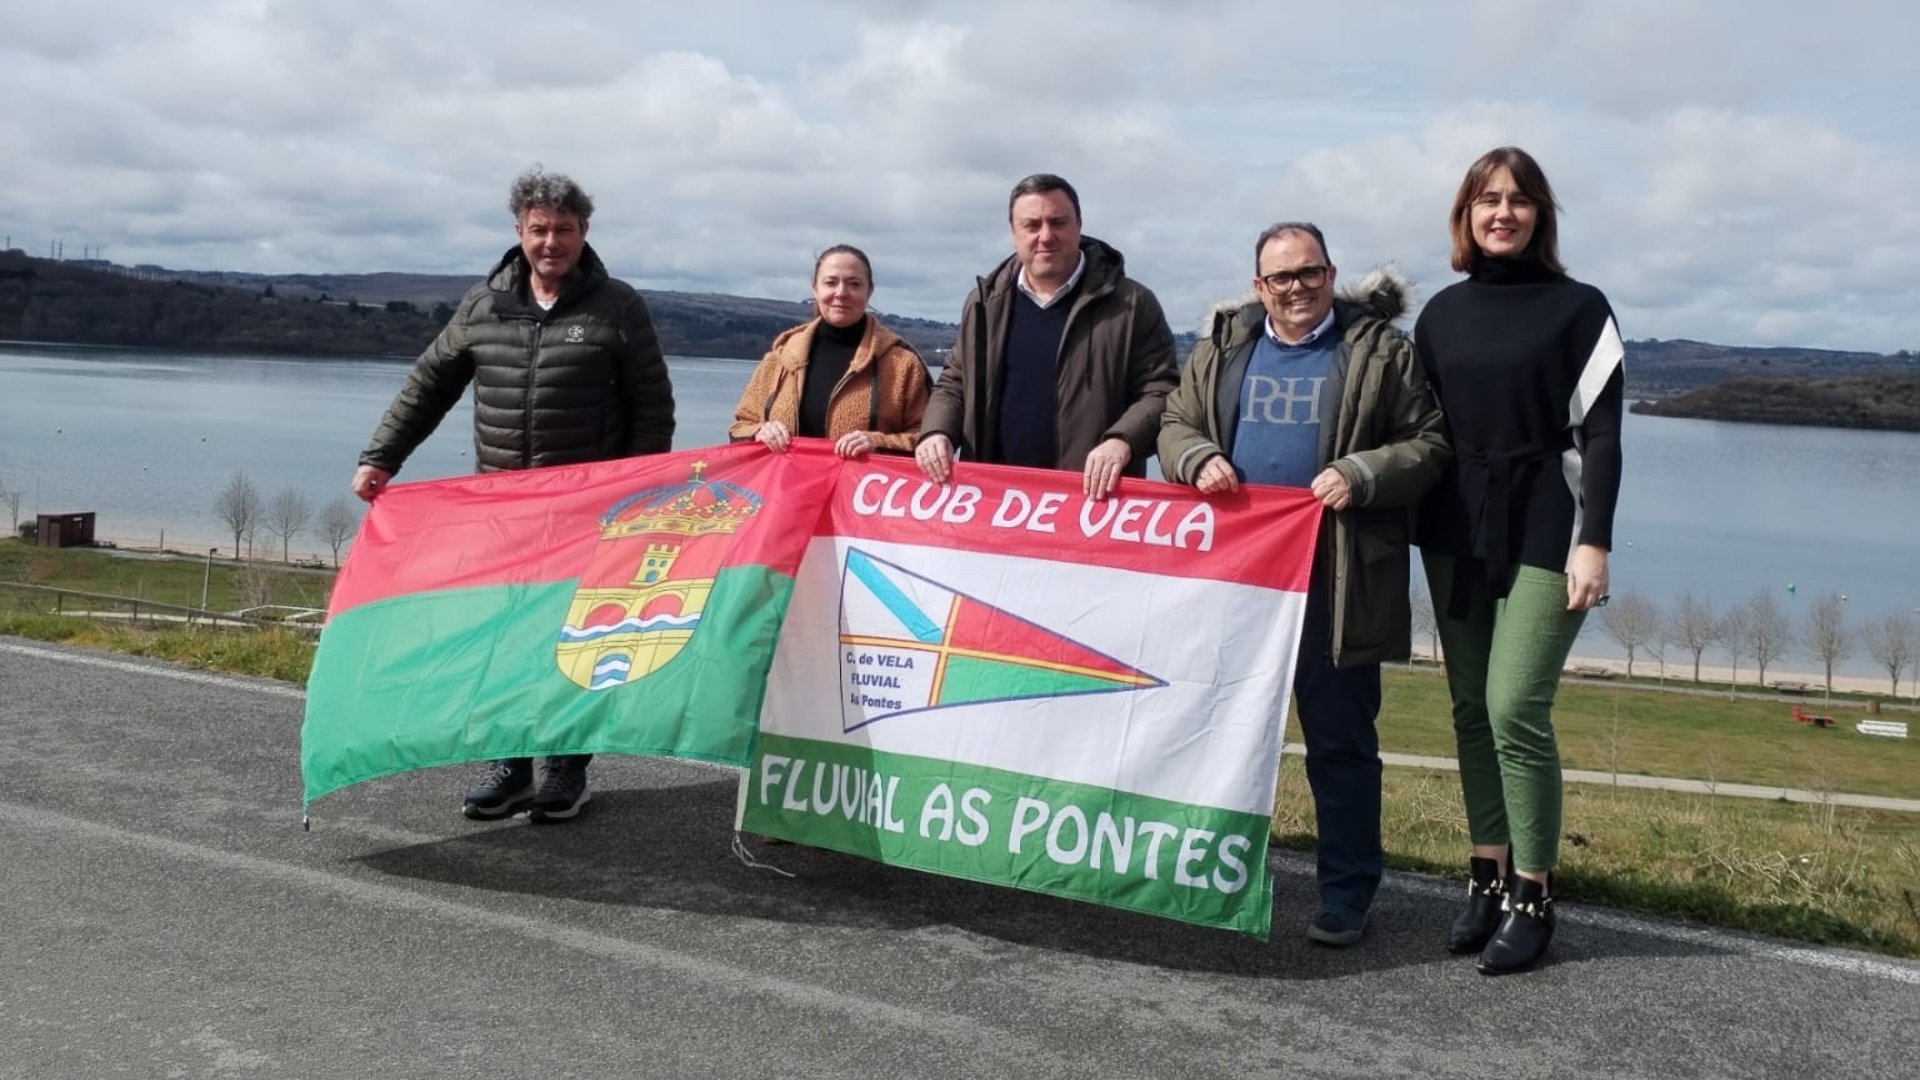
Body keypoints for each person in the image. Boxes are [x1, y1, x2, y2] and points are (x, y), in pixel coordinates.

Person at [350, 166, 675, 825]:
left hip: (589, 513)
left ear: (584, 232)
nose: (550, 241)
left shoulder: (617, 307)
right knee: (502, 636)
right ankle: (512, 766)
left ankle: (566, 769)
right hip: (502, 512)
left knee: (572, 637)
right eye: (538, 229)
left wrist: (635, 493)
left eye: (563, 229)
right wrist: (381, 457)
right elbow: (427, 386)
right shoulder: (482, 306)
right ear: (518, 233)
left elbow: (653, 411)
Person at [1159, 222, 1448, 947]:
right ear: (1259, 285)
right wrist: (1193, 457)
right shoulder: (1224, 345)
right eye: (1280, 277)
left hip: (1336, 581)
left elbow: (1431, 443)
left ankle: (1346, 894)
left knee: (1341, 746)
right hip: (1236, 582)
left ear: (1330, 273)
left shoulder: (1380, 351)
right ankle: (1199, 872)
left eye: (1309, 273)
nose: (1296, 288)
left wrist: (1362, 473)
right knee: (1207, 731)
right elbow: (1173, 422)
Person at [1415, 146, 1624, 975]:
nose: (1503, 212)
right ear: (1465, 215)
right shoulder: (1439, 314)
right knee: (1469, 708)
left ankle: (1534, 896)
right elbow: (1418, 431)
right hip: (1454, 523)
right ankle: (1487, 874)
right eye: (1486, 199)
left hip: (1547, 521)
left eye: (1519, 200)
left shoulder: (1580, 308)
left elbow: (1603, 435)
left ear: (1541, 213)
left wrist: (1594, 539)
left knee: (1513, 708)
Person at [915, 173, 1177, 497]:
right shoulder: (984, 303)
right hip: (994, 503)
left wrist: (1122, 440)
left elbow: (1161, 390)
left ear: (1078, 225)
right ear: (1013, 232)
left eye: (1058, 222)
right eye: (1032, 225)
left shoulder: (1132, 304)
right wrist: (936, 432)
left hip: (1091, 505)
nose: (1046, 235)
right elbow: (955, 381)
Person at [728, 245, 931, 458]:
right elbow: (740, 428)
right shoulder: (779, 359)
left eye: (854, 284)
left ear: (869, 291)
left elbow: (927, 440)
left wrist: (877, 443)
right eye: (830, 282)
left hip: (862, 490)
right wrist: (759, 432)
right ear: (815, 288)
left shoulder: (903, 364)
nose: (841, 293)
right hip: (784, 490)